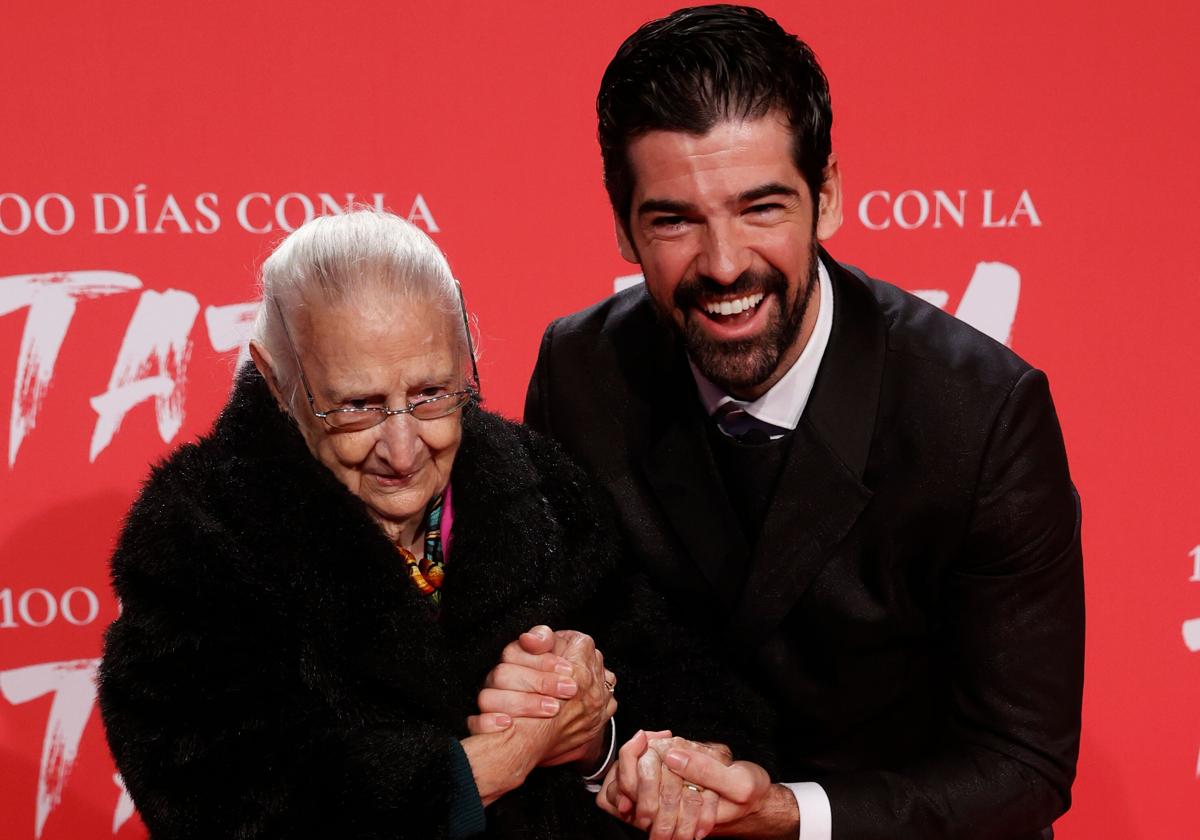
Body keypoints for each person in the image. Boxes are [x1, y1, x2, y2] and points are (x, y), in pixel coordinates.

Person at [516, 5, 1084, 840]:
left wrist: (788, 815)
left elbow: (1022, 765)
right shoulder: (581, 372)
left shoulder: (980, 415)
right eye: (674, 219)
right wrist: (606, 746)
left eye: (762, 208)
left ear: (827, 197)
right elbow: (569, 652)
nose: (723, 264)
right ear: (623, 227)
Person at [98, 210, 689, 839]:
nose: (403, 449)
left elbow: (689, 709)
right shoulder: (199, 536)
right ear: (277, 381)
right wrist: (500, 759)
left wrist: (593, 732)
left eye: (433, 392)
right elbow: (220, 802)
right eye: (357, 406)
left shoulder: (547, 488)